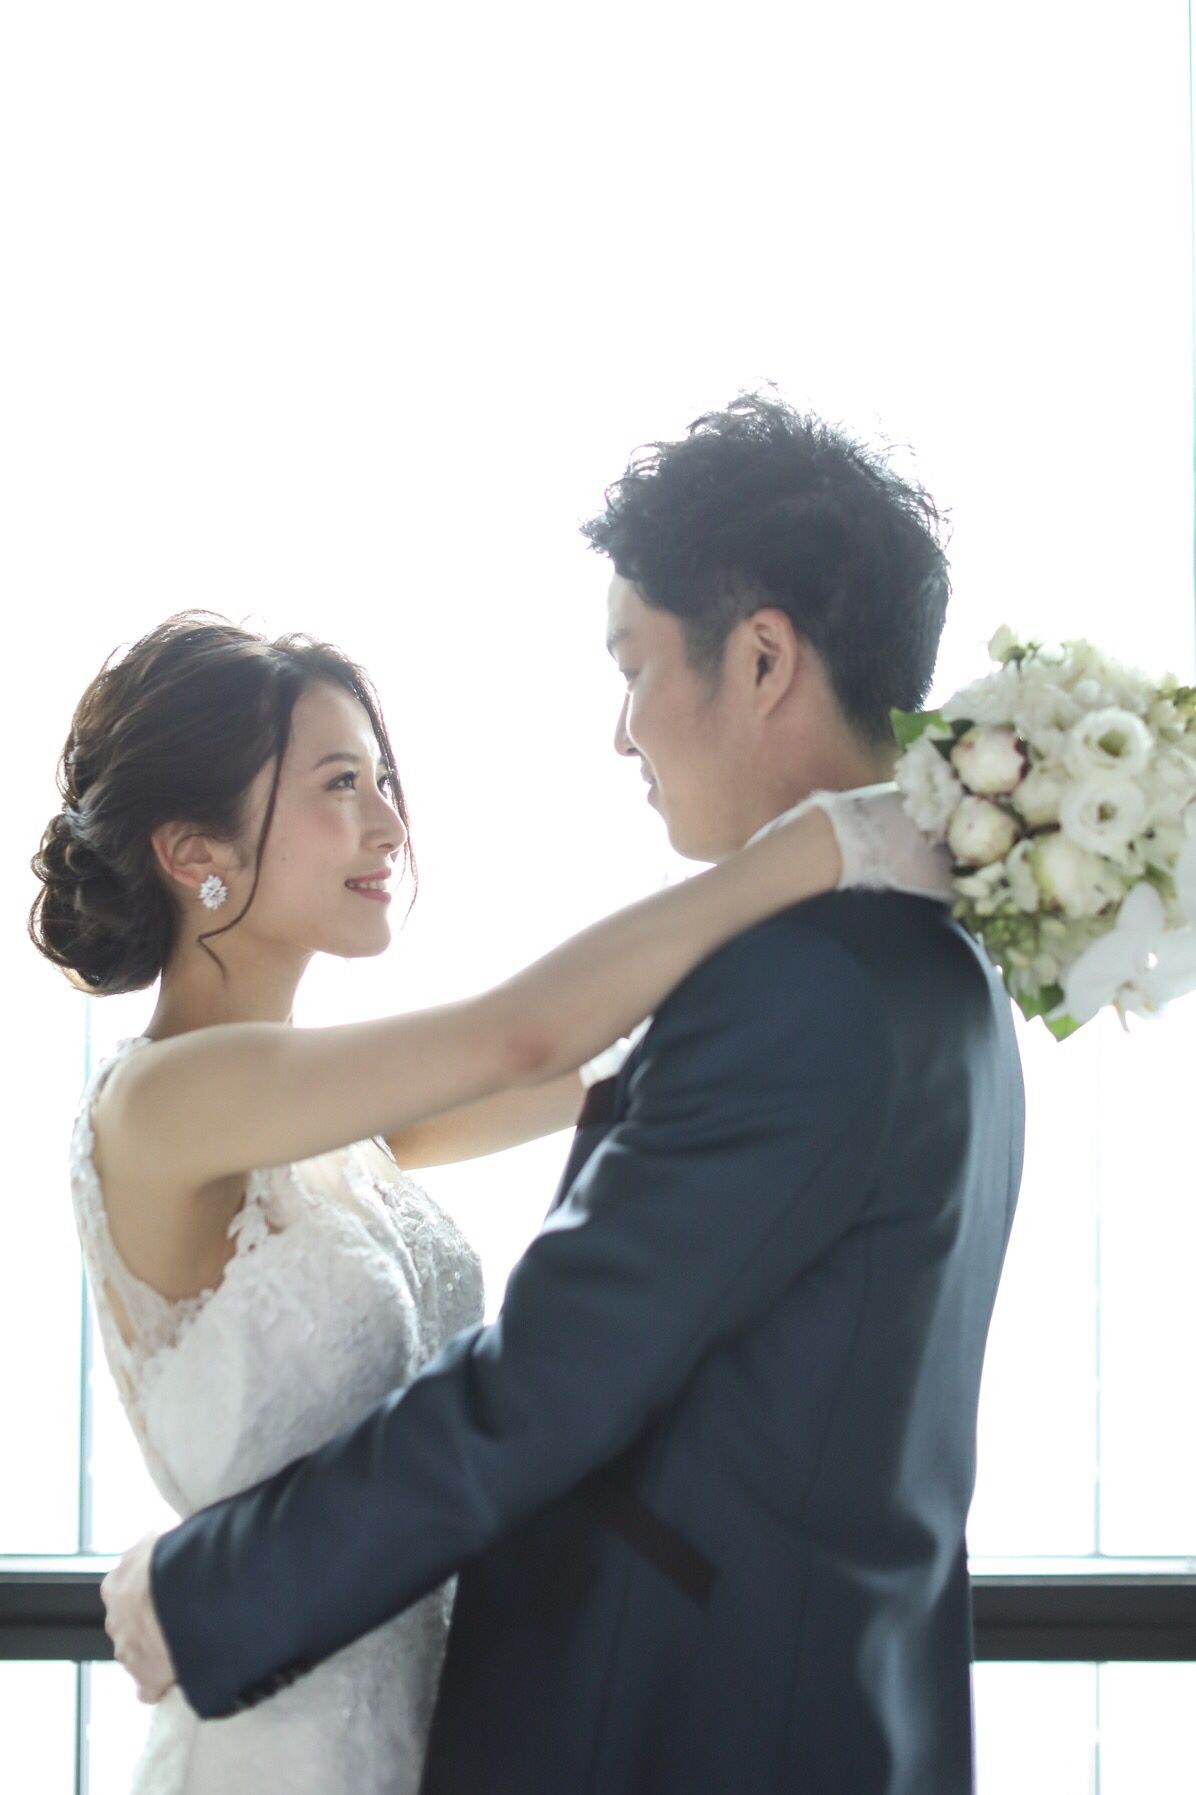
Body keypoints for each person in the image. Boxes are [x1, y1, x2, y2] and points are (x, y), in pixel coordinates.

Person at [97, 393, 1024, 1795]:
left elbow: (548, 1126)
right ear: (194, 851)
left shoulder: (809, 987)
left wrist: (204, 1591)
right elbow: (524, 1046)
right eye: (339, 783)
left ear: (762, 659)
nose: (389, 824)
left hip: (649, 1725)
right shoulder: (917, 961)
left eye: (634, 666)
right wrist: (823, 850)